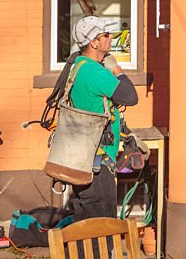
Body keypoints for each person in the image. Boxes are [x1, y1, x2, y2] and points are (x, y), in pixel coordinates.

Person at [67, 16, 139, 221]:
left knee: (86, 222)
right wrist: (116, 69)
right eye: (106, 35)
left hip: (84, 158)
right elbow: (130, 96)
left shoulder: (78, 66)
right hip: (97, 162)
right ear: (94, 43)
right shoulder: (93, 71)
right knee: (102, 226)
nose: (111, 38)